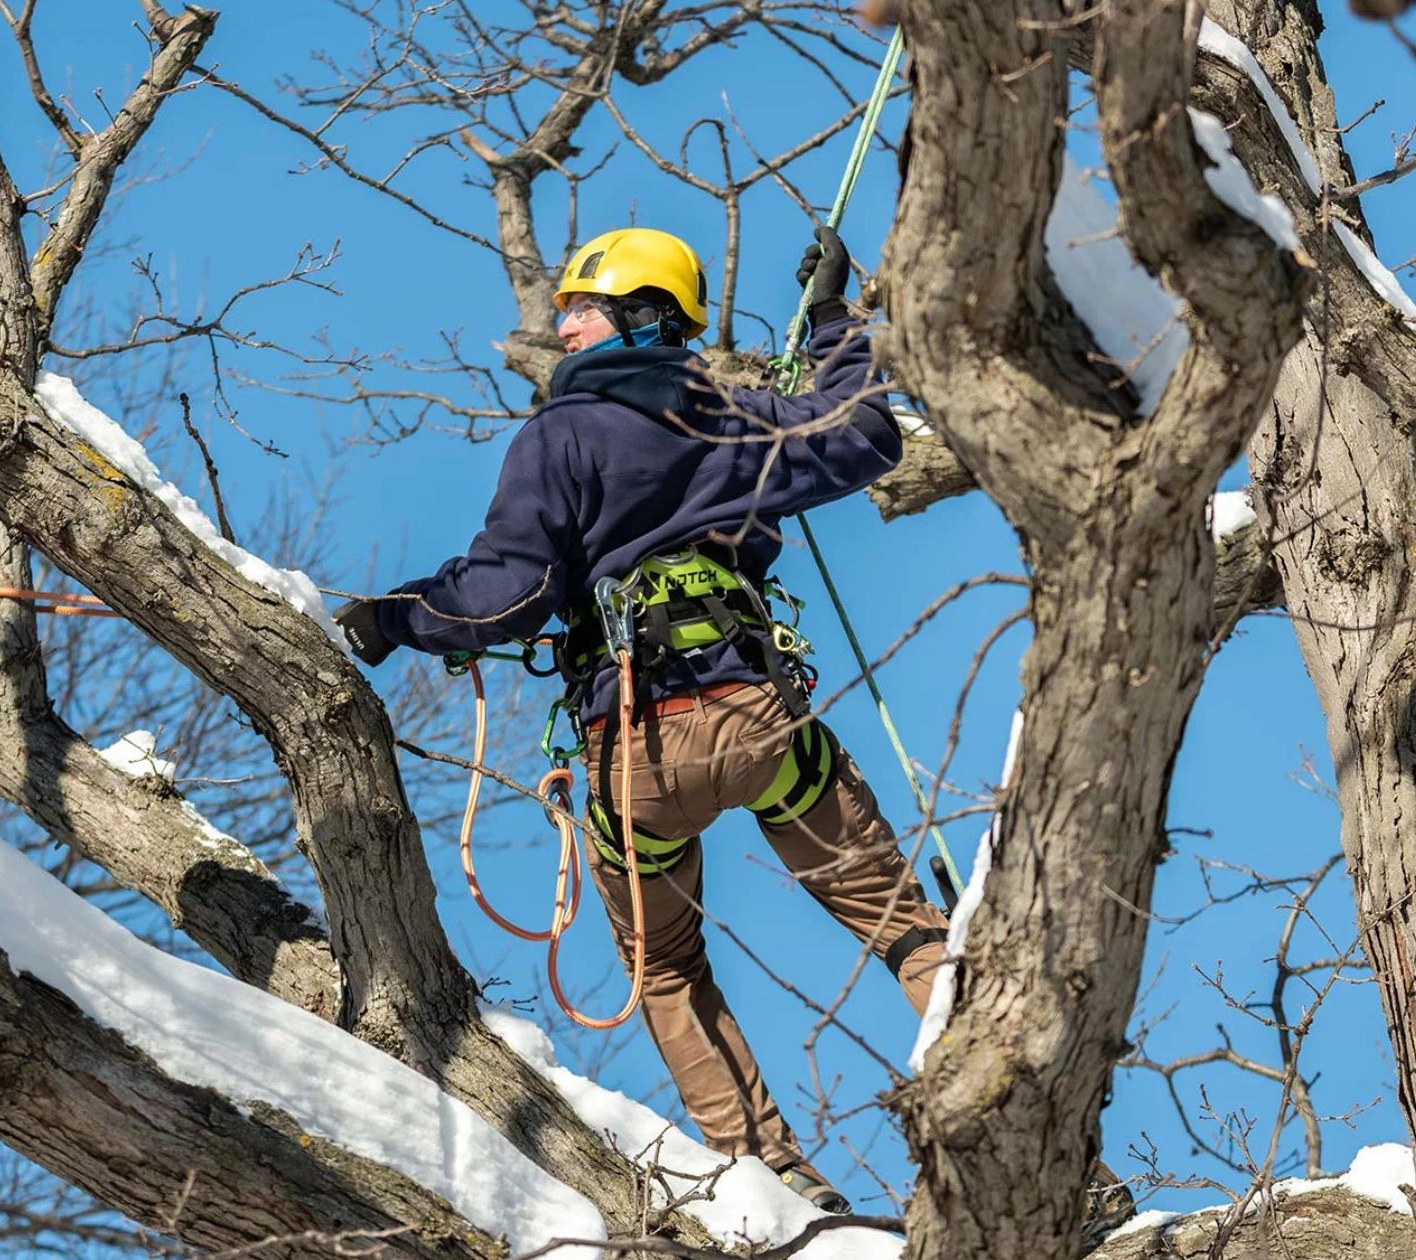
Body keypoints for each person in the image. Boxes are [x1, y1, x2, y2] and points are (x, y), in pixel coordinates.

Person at [333, 224, 954, 1213]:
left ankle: (777, 1181)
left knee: (662, 968)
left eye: (579, 308)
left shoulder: (557, 434)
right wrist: (835, 320)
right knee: (902, 923)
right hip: (759, 725)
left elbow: (502, 596)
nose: (560, 326)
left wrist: (391, 618)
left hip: (636, 755)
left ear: (636, 313)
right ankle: (1004, 1115)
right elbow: (861, 434)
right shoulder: (729, 418)